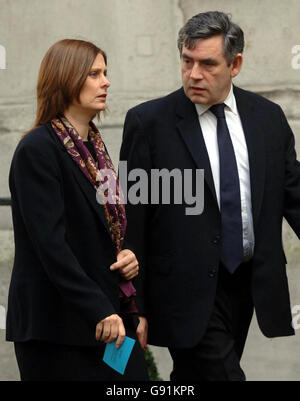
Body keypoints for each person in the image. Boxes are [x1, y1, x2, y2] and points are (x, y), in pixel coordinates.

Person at [120, 11, 300, 381]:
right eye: (187, 61)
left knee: (194, 376)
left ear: (235, 64)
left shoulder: (268, 118)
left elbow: (293, 194)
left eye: (207, 64)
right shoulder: (149, 122)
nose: (194, 74)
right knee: (223, 374)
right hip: (182, 287)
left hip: (248, 282)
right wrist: (130, 302)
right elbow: (132, 218)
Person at [6, 39, 149, 381]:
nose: (106, 82)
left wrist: (127, 256)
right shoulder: (38, 149)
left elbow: (105, 231)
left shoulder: (95, 149)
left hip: (109, 321)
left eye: (106, 72)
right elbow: (50, 246)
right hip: (59, 329)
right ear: (66, 79)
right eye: (94, 73)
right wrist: (98, 308)